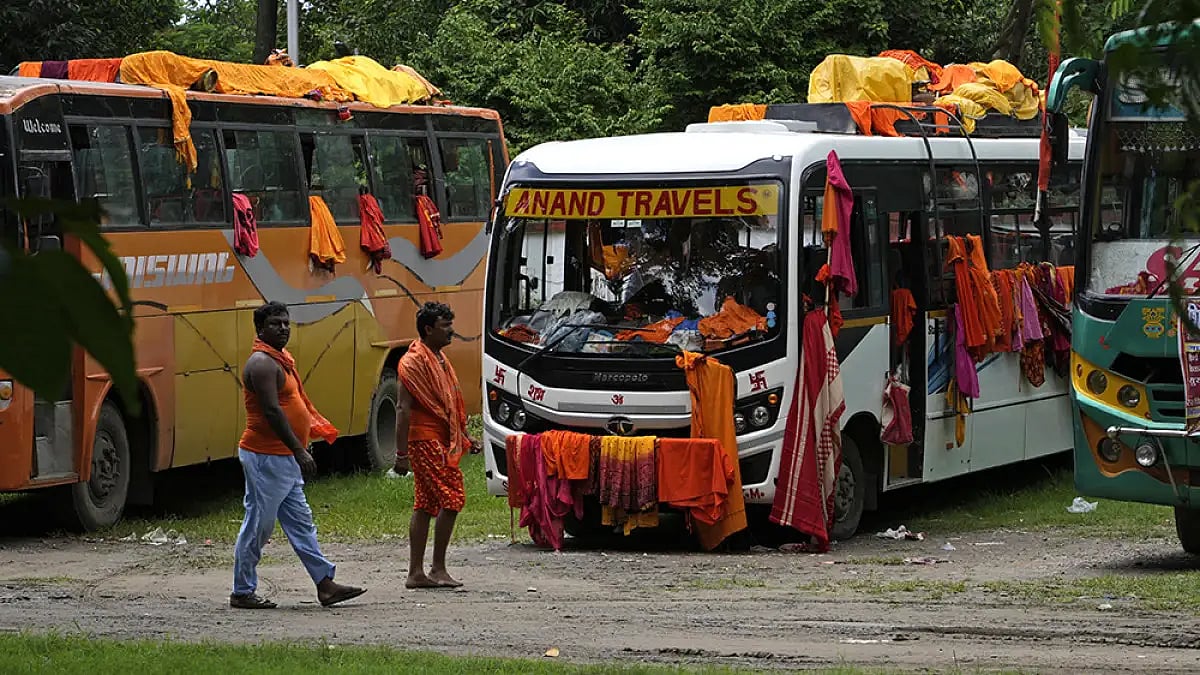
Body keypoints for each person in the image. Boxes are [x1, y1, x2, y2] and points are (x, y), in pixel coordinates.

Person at [231, 301, 366, 609]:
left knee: (301, 522)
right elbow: (272, 411)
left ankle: (325, 585)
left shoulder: (281, 360)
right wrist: (298, 450)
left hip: (283, 459)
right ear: (260, 329)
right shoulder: (262, 364)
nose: (283, 328)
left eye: (286, 323)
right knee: (258, 525)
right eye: (276, 324)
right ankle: (241, 590)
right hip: (267, 456)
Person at [394, 302, 481, 588]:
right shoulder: (413, 363)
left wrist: (464, 438)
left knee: (425, 504)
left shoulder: (440, 359)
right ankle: (437, 568)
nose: (451, 332)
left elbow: (449, 406)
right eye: (445, 326)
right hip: (424, 440)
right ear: (428, 329)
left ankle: (416, 573)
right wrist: (401, 454)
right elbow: (402, 409)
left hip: (438, 438)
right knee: (453, 498)